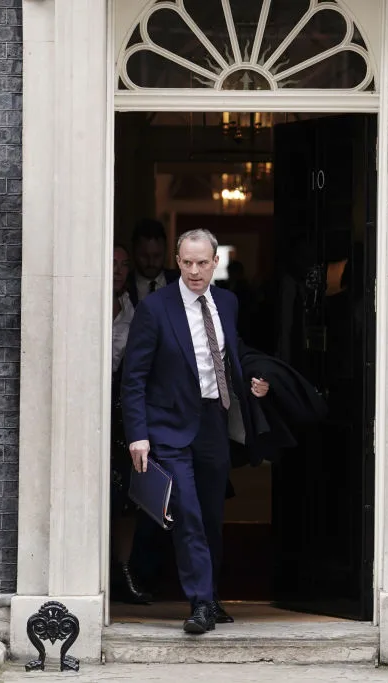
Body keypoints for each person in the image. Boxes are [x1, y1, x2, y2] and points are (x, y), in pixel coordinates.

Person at [121, 228, 270, 634]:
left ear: (215, 261)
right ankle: (201, 602)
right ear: (177, 259)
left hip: (213, 422)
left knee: (210, 514)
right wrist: (138, 433)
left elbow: (231, 350)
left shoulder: (227, 302)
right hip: (168, 426)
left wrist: (254, 377)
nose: (194, 271)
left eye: (202, 263)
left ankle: (212, 595)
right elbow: (133, 377)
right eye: (186, 262)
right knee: (185, 511)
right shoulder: (155, 308)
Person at [108, 245, 153, 604]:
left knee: (128, 498)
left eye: (124, 264)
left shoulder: (133, 306)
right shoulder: (88, 304)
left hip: (123, 409)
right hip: (92, 407)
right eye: (113, 263)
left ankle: (123, 571)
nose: (120, 270)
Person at [126, 218, 179, 306]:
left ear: (166, 252)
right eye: (144, 256)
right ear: (134, 252)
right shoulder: (122, 284)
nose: (151, 262)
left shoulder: (182, 282)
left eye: (157, 256)